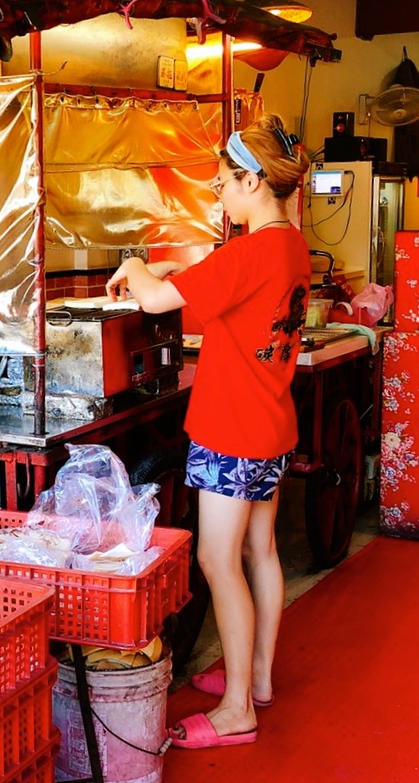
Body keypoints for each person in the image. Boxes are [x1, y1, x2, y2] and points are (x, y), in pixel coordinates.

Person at [106, 114, 311, 749]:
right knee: (261, 552)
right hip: (272, 423)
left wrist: (137, 263)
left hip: (231, 430)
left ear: (252, 181)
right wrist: (164, 269)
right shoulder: (291, 244)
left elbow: (158, 301)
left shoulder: (249, 251)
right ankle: (260, 678)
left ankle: (238, 710)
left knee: (217, 561)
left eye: (222, 182)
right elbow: (209, 287)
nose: (218, 193)